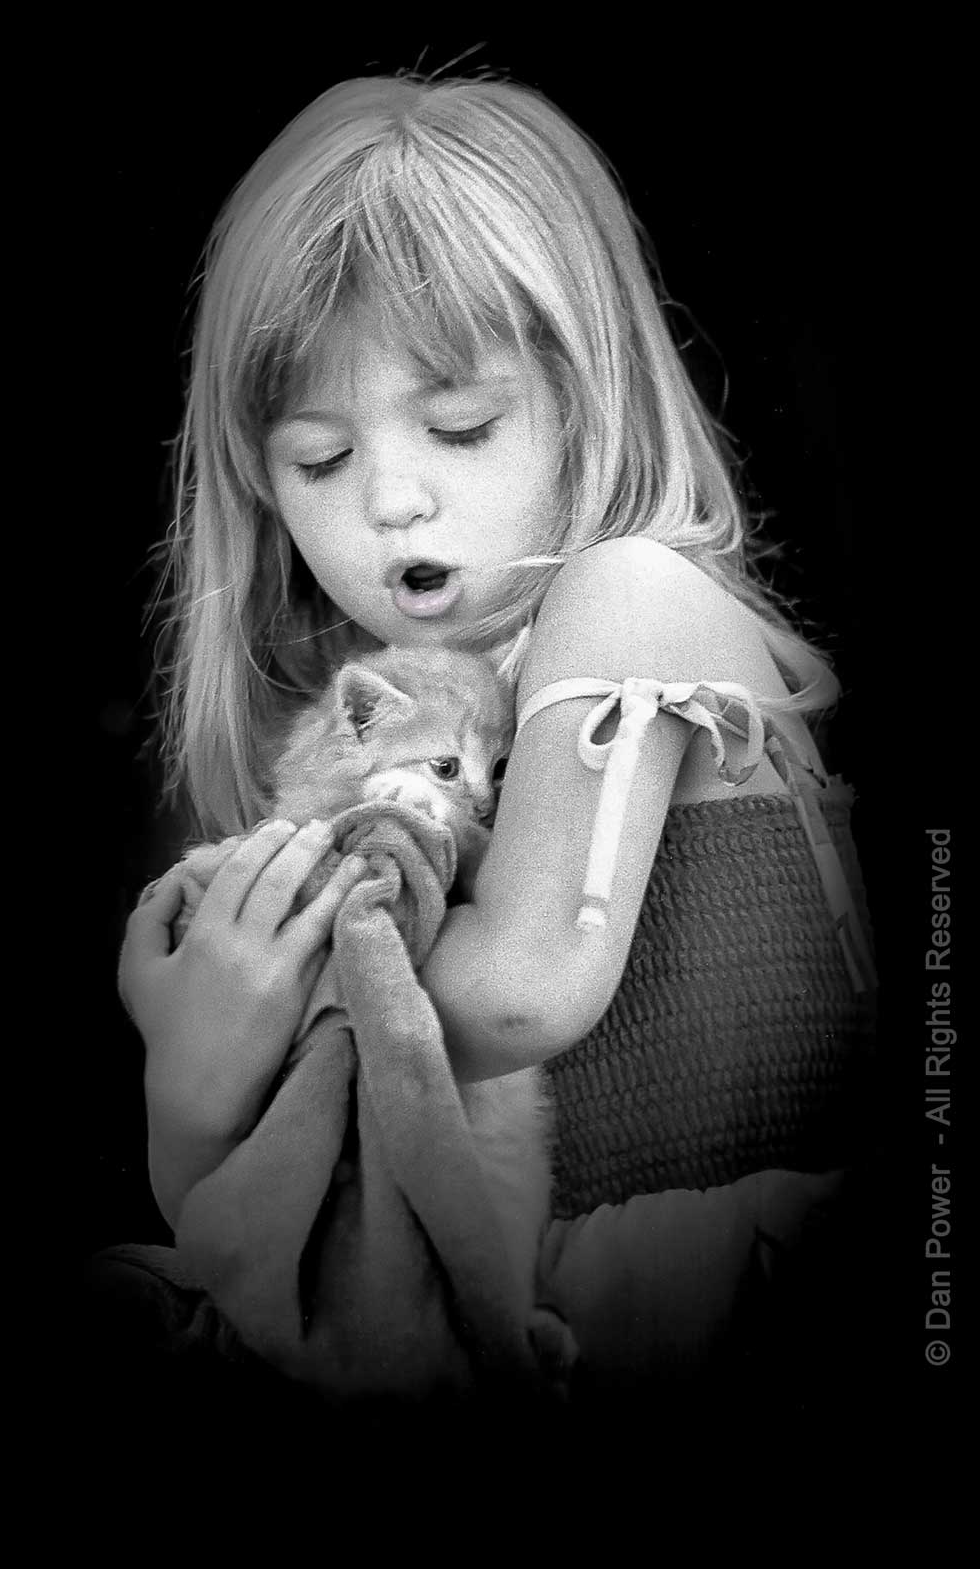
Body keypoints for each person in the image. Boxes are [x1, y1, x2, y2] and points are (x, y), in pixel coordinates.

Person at [112, 70, 876, 1428]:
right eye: (319, 458)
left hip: (707, 1327)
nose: (394, 495)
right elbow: (270, 1204)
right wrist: (188, 1094)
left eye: (458, 424)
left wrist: (260, 998)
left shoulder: (629, 593)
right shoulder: (393, 716)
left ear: (584, 394)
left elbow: (525, 992)